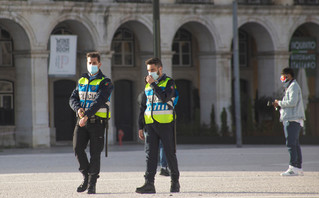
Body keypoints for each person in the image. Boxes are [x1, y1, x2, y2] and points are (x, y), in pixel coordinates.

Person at [69, 52, 113, 194]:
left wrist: (86, 115)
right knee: (77, 148)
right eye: (89, 62)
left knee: (95, 153)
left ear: (99, 64)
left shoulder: (105, 82)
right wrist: (78, 109)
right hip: (82, 120)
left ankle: (92, 183)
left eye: (94, 63)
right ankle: (86, 176)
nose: (91, 65)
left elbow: (99, 101)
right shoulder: (82, 79)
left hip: (97, 122)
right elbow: (73, 98)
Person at [136, 57, 180, 194]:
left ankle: (175, 182)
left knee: (169, 153)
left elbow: (165, 97)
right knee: (150, 155)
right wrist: (140, 126)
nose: (150, 73)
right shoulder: (147, 85)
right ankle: (149, 184)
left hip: (166, 124)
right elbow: (143, 106)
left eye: (153, 70)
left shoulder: (169, 82)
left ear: (160, 69)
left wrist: (154, 84)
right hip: (150, 124)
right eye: (148, 70)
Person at [273, 67, 305, 176]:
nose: (282, 79)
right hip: (292, 118)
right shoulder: (291, 86)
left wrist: (280, 103)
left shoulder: (293, 86)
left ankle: (293, 167)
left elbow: (292, 102)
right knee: (295, 143)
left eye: (283, 76)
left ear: (289, 76)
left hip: (292, 118)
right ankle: (298, 167)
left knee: (291, 143)